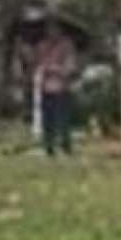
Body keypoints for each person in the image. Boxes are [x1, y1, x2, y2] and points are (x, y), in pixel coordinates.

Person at [34, 24, 80, 156]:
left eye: (55, 29)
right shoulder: (42, 46)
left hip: (61, 88)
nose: (51, 32)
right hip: (45, 88)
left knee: (62, 119)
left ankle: (66, 145)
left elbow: (71, 68)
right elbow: (37, 64)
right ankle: (48, 146)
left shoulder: (67, 46)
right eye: (49, 29)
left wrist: (55, 69)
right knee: (47, 120)